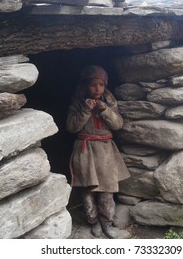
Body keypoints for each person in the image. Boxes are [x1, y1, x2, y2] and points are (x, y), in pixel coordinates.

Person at [66, 65, 131, 239]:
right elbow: (71, 127)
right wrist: (86, 111)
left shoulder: (109, 103)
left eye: (101, 85)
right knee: (88, 189)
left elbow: (118, 124)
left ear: (105, 86)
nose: (97, 89)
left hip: (106, 151)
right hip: (85, 151)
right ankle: (93, 222)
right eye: (93, 85)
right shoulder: (78, 104)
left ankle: (107, 223)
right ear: (85, 86)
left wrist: (105, 110)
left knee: (107, 189)